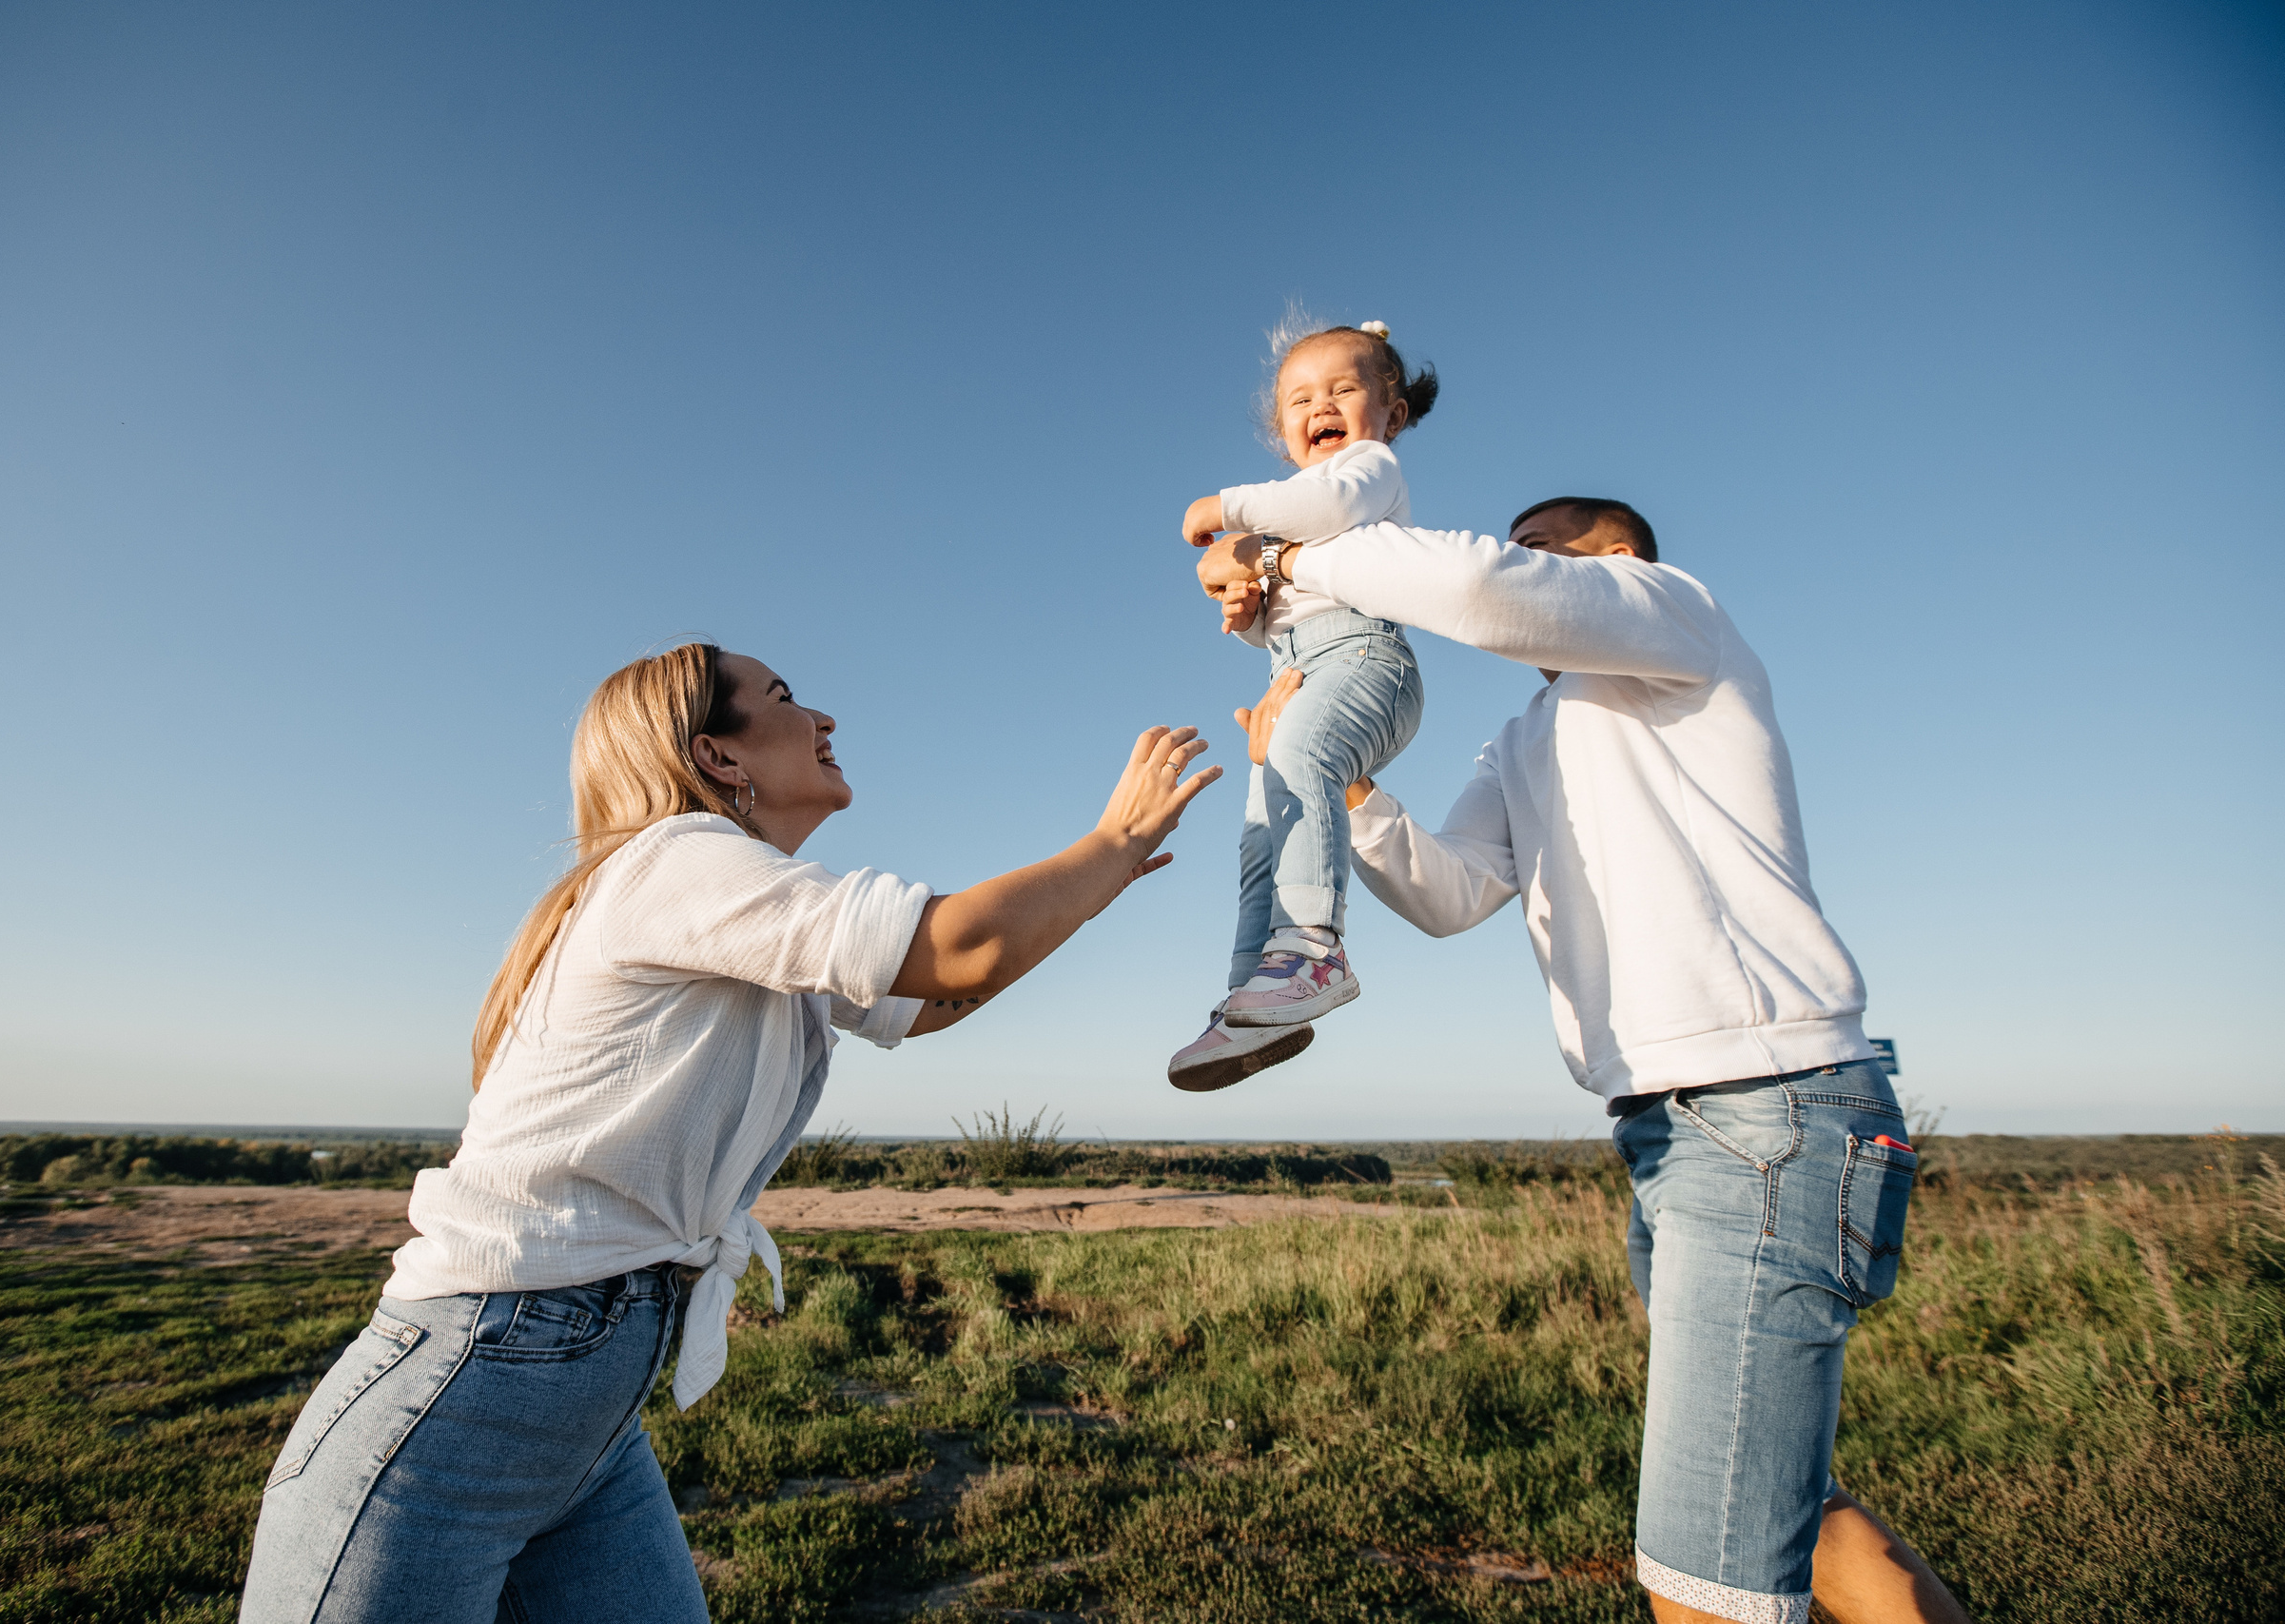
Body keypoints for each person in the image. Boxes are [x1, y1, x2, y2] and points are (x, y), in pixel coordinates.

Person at [238, 642, 1220, 1624]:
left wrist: (1094, 884)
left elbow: (935, 1000)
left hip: (583, 1416)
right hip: (461, 1399)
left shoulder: (743, 910)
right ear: (718, 757)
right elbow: (956, 950)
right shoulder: (677, 860)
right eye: (786, 699)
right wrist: (1113, 843)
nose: (825, 719)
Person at [1202, 503, 1973, 1624]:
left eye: (1540, 556)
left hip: (1768, 1110)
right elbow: (1448, 892)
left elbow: (1479, 590)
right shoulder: (1521, 739)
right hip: (1668, 1130)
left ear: (1613, 564)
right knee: (1781, 1506)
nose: (1518, 572)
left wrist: (1281, 557)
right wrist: (1342, 780)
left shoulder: (1675, 618)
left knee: (1705, 1579)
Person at [1164, 318, 1436, 1093]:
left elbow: (1320, 506)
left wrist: (1228, 506)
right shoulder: (1296, 517)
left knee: (1302, 759)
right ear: (1283, 430)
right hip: (1300, 672)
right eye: (1300, 398)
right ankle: (1249, 999)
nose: (1321, 405)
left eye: (1344, 389)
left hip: (1366, 660)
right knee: (1262, 832)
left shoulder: (1368, 472)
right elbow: (1279, 627)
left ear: (1392, 414)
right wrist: (1250, 612)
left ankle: (1313, 949)